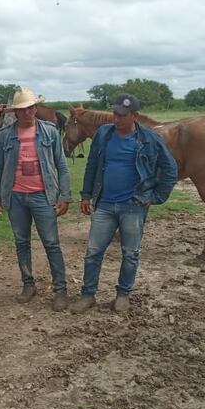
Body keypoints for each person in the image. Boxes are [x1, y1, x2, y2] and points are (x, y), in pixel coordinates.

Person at [69, 93, 178, 314]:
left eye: (122, 115)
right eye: (115, 114)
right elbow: (92, 165)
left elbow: (170, 169)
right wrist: (86, 195)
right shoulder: (103, 135)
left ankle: (122, 295)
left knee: (130, 253)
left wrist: (155, 197)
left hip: (134, 205)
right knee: (93, 251)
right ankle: (88, 295)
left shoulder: (149, 139)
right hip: (105, 205)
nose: (116, 119)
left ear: (135, 116)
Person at [0, 87, 72, 311]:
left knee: (51, 243)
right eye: (22, 109)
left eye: (31, 107)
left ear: (36, 108)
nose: (27, 112)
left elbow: (61, 165)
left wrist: (64, 195)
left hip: (43, 196)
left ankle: (60, 289)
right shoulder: (6, 136)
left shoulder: (50, 132)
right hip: (16, 197)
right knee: (21, 242)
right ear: (16, 112)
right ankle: (28, 284)